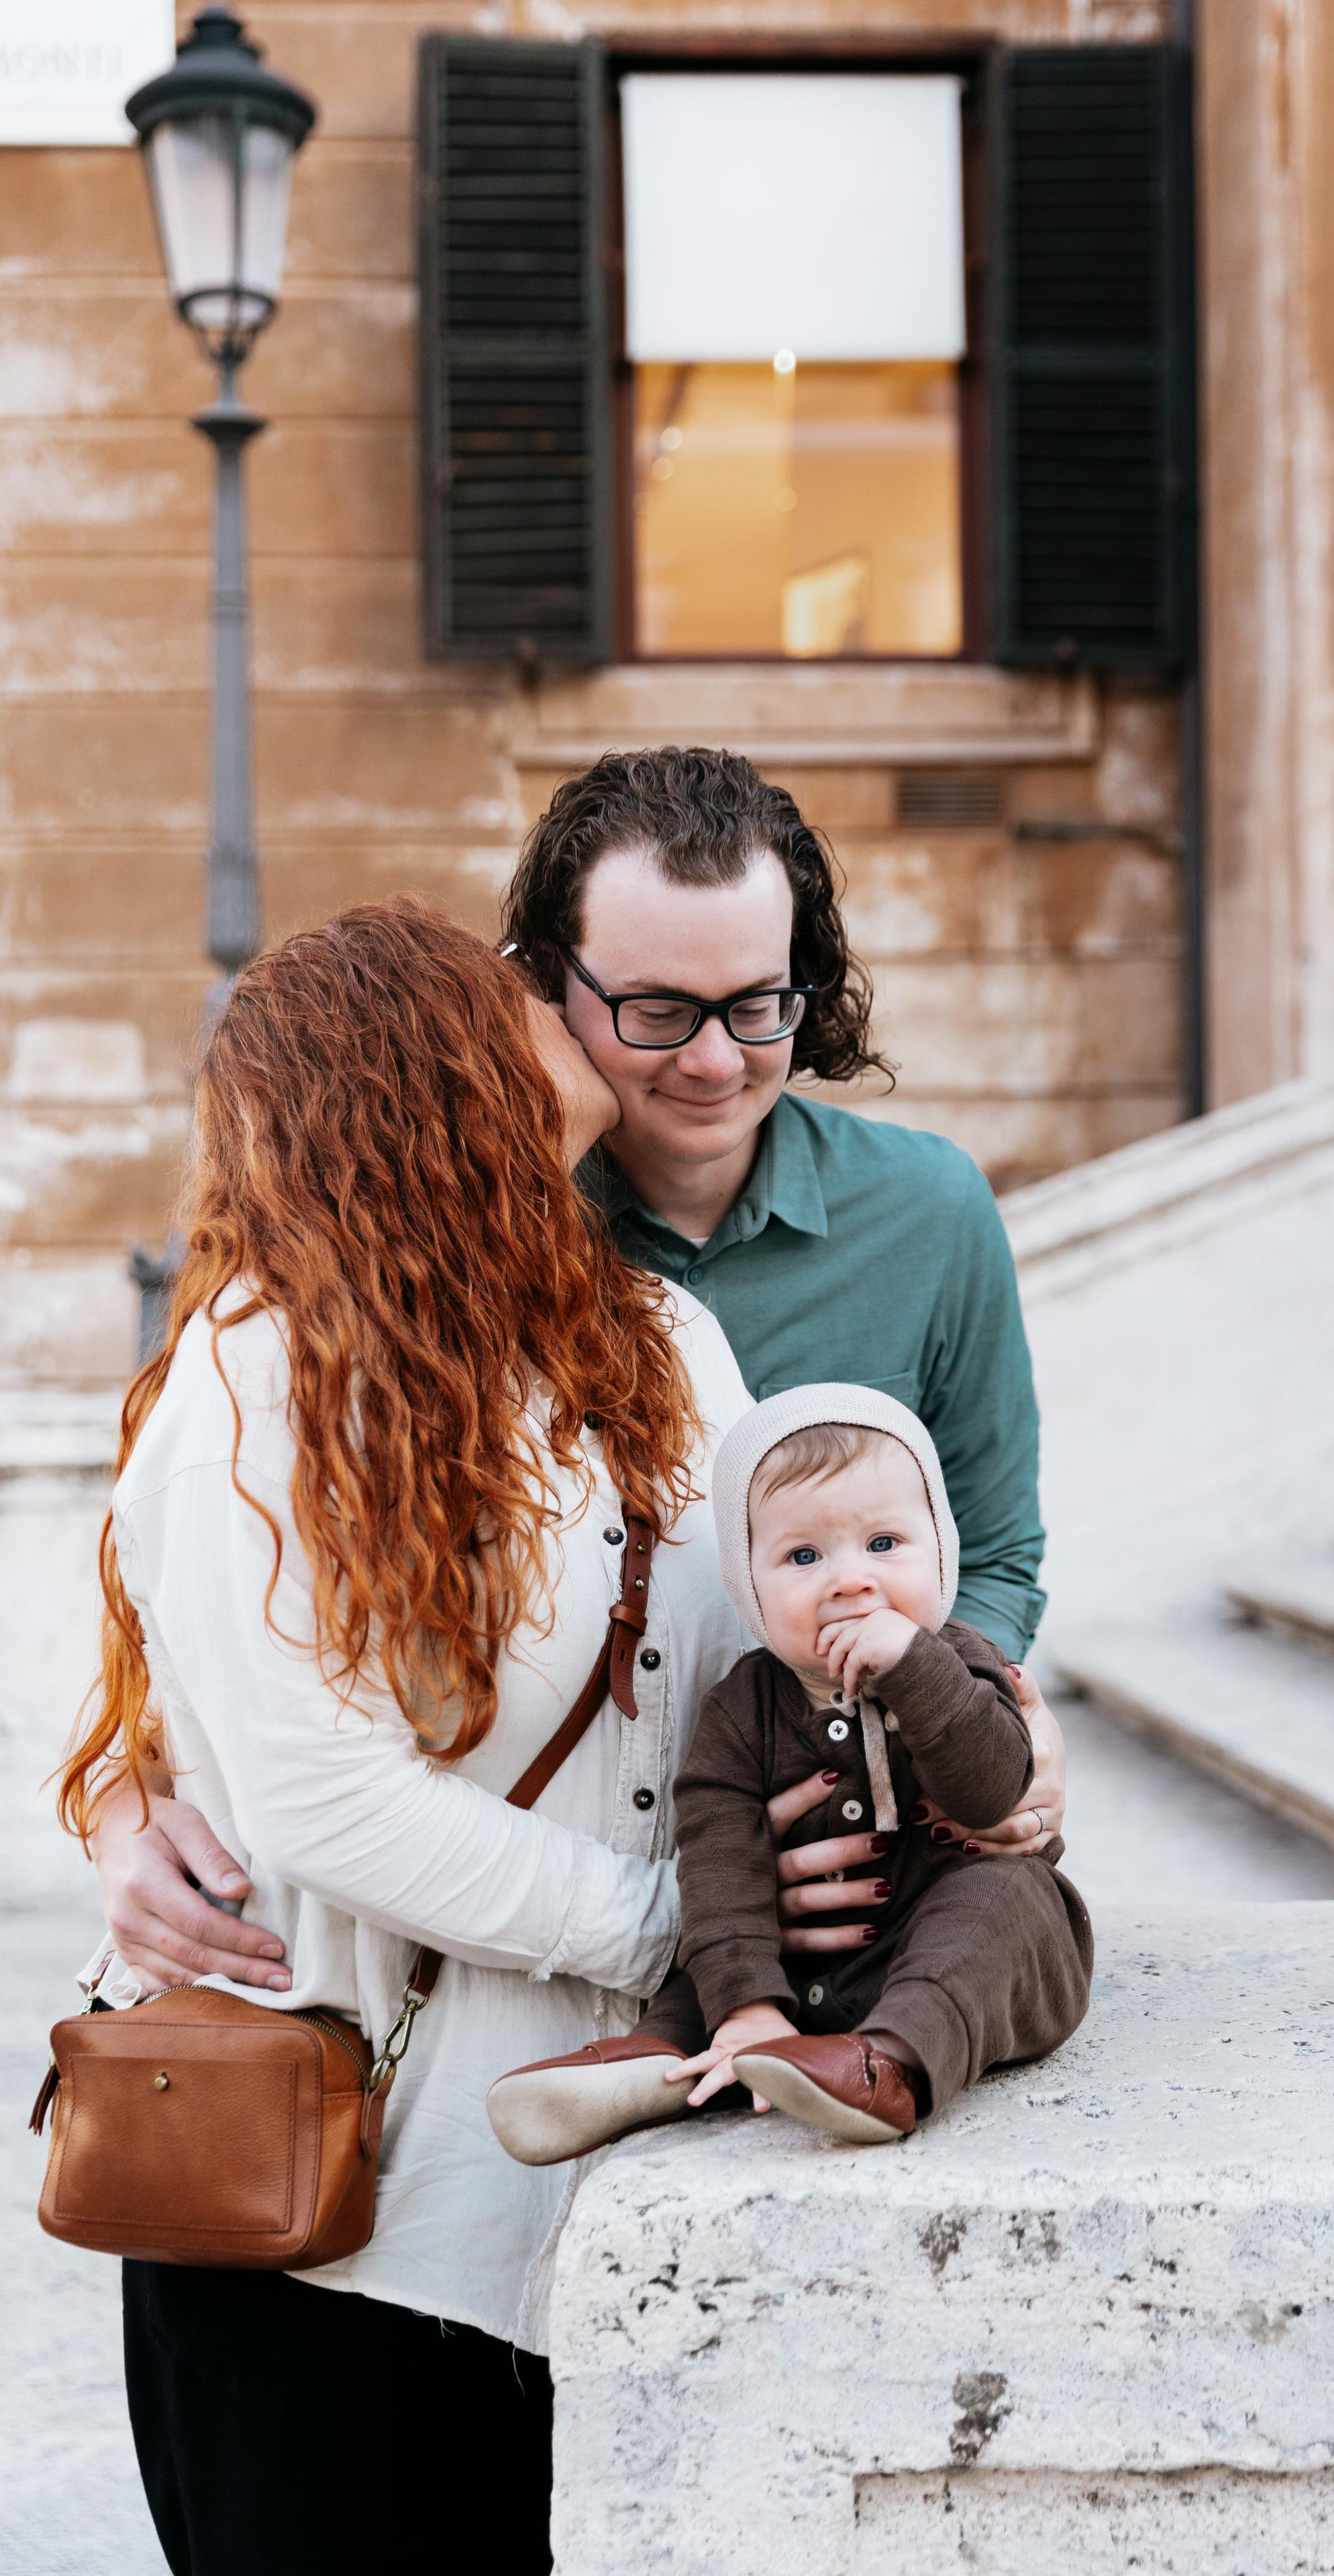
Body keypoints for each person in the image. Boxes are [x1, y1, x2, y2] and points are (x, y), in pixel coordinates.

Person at [85, 744, 1066, 2004]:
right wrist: (115, 1793)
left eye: (758, 1003)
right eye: (658, 1012)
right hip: (496, 1984)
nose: (716, 1062)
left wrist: (969, 1737)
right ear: (544, 992)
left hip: (774, 1884)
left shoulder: (913, 1221)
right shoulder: (408, 1259)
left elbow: (989, 1550)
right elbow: (217, 1599)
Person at [56, 900, 755, 2573]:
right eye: (493, 999)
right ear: (416, 1073)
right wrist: (680, 1936)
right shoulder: (257, 1374)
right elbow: (318, 1798)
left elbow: (758, 1654)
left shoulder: (657, 1342)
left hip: (624, 2205)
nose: (547, 1023)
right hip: (331, 2228)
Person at [486, 1387, 1092, 2167]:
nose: (848, 1581)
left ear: (940, 1551)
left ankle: (892, 2068)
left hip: (956, 1953)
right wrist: (745, 2006)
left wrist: (913, 1666)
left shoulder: (962, 1662)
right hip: (809, 1972)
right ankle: (656, 2063)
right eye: (803, 1557)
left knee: (1001, 1898)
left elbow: (989, 1792)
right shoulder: (742, 1708)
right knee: (720, 1931)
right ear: (749, 1586)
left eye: (884, 1543)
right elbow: (720, 1858)